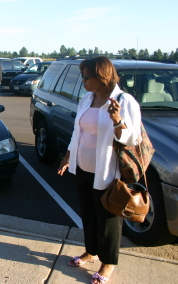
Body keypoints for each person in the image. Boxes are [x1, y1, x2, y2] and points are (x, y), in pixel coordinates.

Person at [57, 56, 142, 284]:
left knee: (107, 218)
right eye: (82, 75)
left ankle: (108, 262)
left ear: (102, 77)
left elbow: (134, 138)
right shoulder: (87, 98)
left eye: (86, 76)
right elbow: (78, 132)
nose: (82, 80)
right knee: (88, 213)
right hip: (83, 166)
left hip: (107, 172)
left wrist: (117, 121)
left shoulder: (124, 101)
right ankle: (91, 251)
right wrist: (68, 157)